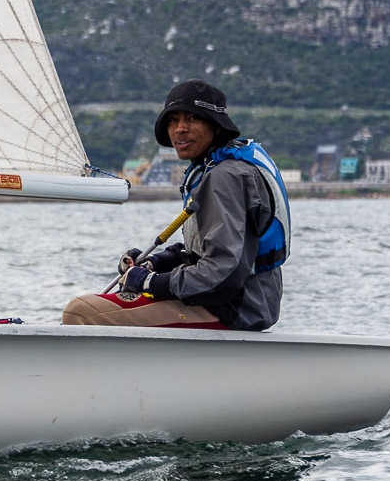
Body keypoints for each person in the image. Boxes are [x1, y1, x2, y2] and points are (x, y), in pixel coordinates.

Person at [62, 79, 290, 331]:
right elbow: (208, 251)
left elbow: (223, 274)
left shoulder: (225, 177)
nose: (180, 128)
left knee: (80, 312)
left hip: (232, 308)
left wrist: (149, 283)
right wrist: (155, 263)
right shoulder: (216, 168)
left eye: (193, 118)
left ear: (216, 126)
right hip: (241, 303)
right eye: (173, 120)